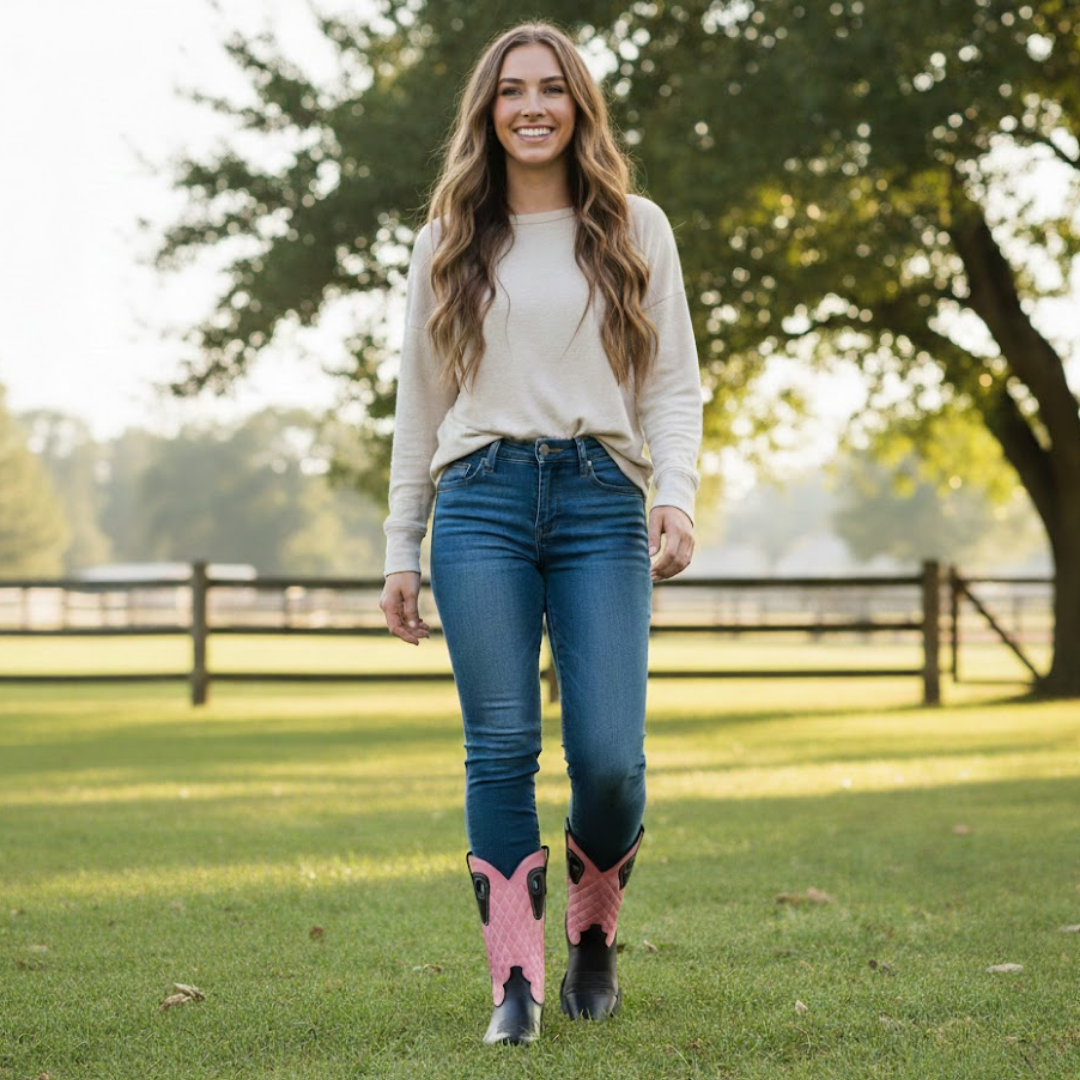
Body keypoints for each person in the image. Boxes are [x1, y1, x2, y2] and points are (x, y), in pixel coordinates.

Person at [379, 20, 703, 1046]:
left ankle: (592, 934)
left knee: (609, 760)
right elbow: (420, 404)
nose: (531, 106)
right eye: (512, 89)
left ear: (578, 107)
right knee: (501, 748)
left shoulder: (636, 228)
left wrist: (676, 492)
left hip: (601, 498)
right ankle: (513, 982)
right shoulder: (448, 239)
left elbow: (673, 382)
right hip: (479, 501)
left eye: (551, 88)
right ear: (487, 111)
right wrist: (399, 546)